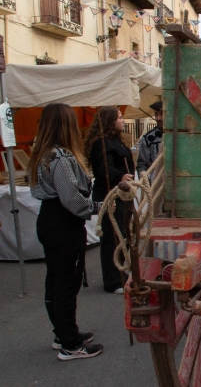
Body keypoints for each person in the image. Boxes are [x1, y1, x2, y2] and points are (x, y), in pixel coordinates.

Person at [28, 103, 104, 360]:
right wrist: (100, 207)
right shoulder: (60, 157)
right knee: (65, 283)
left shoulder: (42, 154)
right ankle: (70, 344)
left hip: (49, 220)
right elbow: (72, 199)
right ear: (66, 125)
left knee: (56, 280)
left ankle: (63, 333)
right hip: (63, 223)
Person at [84, 107, 135, 294]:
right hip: (109, 194)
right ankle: (113, 281)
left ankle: (122, 273)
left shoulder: (115, 140)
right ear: (109, 121)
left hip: (122, 194)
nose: (123, 120)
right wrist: (120, 177)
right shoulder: (101, 143)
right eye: (120, 118)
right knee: (113, 238)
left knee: (123, 235)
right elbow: (104, 169)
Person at [136, 100, 163, 176]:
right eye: (156, 114)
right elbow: (142, 165)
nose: (158, 118)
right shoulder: (149, 138)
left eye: (162, 114)